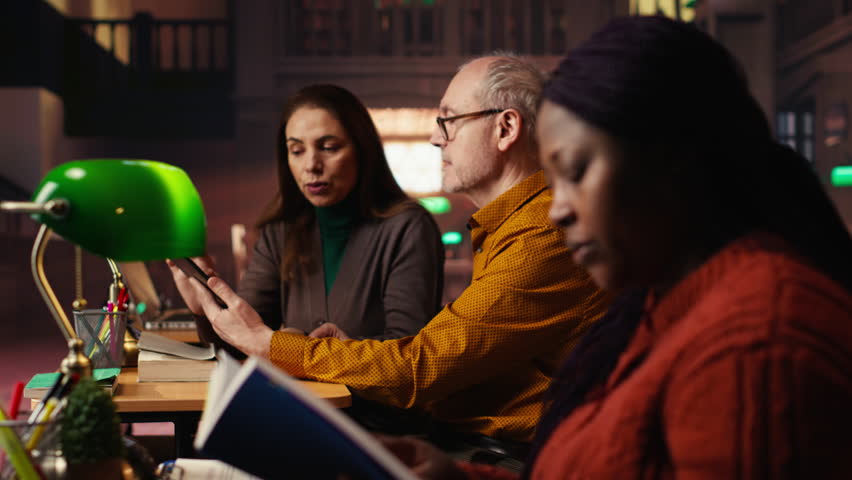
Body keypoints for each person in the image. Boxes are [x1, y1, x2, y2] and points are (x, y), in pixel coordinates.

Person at [378, 16, 852, 479]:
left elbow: (423, 367)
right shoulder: (656, 304)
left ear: (670, 163)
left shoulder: (757, 343)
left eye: (578, 172)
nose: (558, 210)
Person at [171, 54, 609, 454]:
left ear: (506, 128)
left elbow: (419, 369)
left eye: (449, 121)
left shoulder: (544, 234)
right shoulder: (510, 226)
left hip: (504, 458)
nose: (436, 140)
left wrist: (275, 345)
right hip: (464, 444)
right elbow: (442, 361)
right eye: (296, 149)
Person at [172, 84, 445, 347]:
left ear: (363, 151)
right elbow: (243, 341)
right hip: (294, 395)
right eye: (297, 151)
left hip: (367, 396)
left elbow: (408, 351)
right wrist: (204, 309)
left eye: (329, 147)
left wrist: (301, 349)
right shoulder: (280, 231)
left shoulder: (408, 228)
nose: (311, 165)